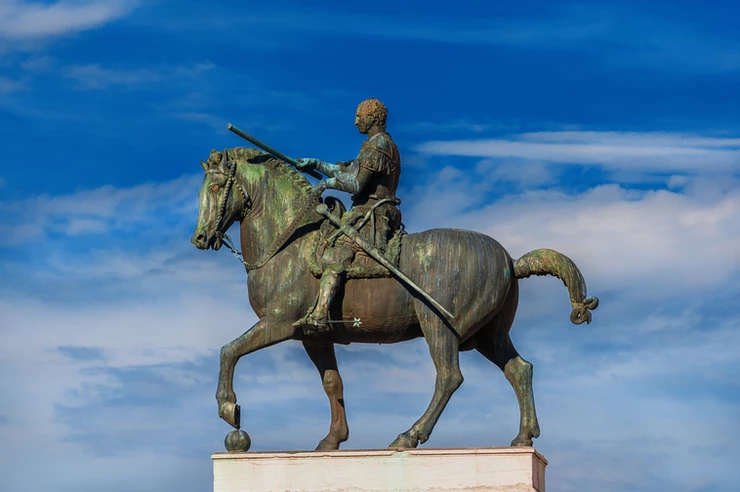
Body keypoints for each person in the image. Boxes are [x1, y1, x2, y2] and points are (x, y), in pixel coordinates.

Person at [293, 98, 402, 333]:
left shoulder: (379, 144)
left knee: (338, 252)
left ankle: (321, 314)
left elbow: (355, 185)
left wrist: (325, 185)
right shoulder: (374, 144)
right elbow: (347, 170)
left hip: (372, 216)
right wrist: (315, 163)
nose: (355, 122)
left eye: (359, 117)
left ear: (372, 118)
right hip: (367, 213)